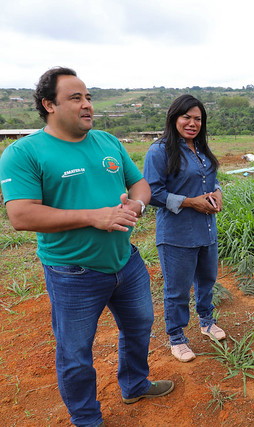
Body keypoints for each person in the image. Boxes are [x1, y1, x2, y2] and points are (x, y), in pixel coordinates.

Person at [0, 67, 173, 426]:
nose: (87, 105)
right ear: (49, 104)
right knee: (76, 353)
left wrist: (136, 205)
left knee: (140, 326)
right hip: (73, 273)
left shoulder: (107, 141)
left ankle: (135, 384)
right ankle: (87, 419)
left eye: (89, 97)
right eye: (76, 98)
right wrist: (94, 216)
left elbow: (140, 184)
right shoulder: (24, 153)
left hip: (126, 262)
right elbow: (21, 214)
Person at [143, 94, 226, 363]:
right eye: (186, 117)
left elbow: (212, 182)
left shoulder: (201, 150)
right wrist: (191, 203)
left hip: (206, 230)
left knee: (207, 280)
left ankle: (206, 321)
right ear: (174, 118)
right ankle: (177, 337)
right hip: (177, 234)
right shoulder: (160, 151)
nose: (192, 123)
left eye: (198, 118)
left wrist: (218, 192)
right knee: (177, 290)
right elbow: (152, 193)